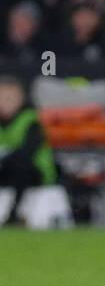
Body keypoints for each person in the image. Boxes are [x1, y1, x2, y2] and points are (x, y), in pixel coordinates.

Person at [0, 76, 59, 212]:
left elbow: (27, 152)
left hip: (36, 172)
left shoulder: (31, 120)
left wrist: (5, 158)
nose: (5, 103)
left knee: (20, 168)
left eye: (9, 98)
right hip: (6, 168)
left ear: (20, 98)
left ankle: (14, 213)